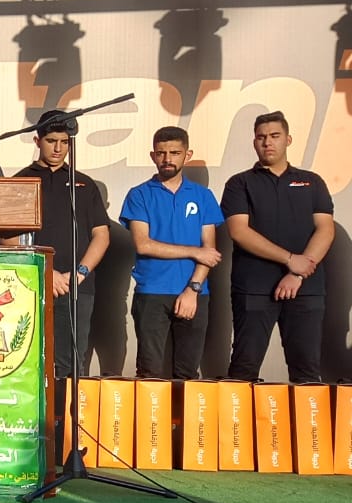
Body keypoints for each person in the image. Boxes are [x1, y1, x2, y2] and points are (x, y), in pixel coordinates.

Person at [221, 111, 334, 383]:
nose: (267, 142)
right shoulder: (239, 183)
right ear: (254, 142)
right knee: (244, 369)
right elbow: (239, 231)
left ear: (288, 139)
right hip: (254, 287)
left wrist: (297, 273)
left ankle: (307, 416)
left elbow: (325, 229)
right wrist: (289, 259)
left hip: (305, 288)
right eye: (261, 137)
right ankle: (240, 415)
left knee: (306, 371)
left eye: (274, 136)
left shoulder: (312, 181)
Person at [6, 111, 110, 378]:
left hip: (76, 288)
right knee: (27, 361)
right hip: (31, 284)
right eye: (51, 141)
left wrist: (79, 273)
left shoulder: (84, 184)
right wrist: (45, 273)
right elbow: (7, 237)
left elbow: (101, 235)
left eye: (65, 142)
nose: (58, 148)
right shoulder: (20, 181)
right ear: (37, 141)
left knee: (72, 366)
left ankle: (67, 408)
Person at [119, 126, 223, 380]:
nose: (167, 159)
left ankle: (185, 412)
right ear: (153, 156)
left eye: (175, 153)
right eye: (161, 153)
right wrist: (194, 252)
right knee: (149, 373)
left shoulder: (202, 196)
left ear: (187, 155)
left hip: (195, 293)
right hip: (152, 292)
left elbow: (209, 251)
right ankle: (152, 410)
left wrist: (193, 290)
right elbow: (143, 244)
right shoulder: (139, 194)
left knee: (187, 374)